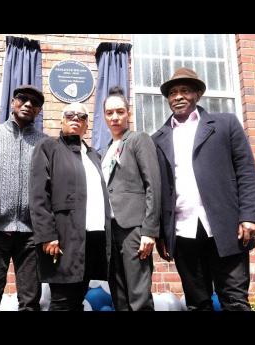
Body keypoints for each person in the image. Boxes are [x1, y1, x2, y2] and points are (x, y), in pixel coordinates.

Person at [151, 67, 255, 311]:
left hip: (227, 228)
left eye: (184, 90)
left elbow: (246, 170)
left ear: (198, 94)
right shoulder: (157, 138)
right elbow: (157, 188)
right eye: (172, 92)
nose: (177, 96)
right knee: (197, 303)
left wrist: (250, 215)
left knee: (234, 300)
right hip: (182, 232)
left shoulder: (225, 124)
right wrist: (160, 232)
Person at [29, 102, 111, 311]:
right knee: (62, 301)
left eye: (81, 116)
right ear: (62, 120)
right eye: (70, 115)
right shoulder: (49, 148)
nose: (76, 118)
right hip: (64, 239)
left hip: (92, 237)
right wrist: (47, 235)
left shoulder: (94, 155)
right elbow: (39, 195)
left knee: (77, 298)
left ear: (87, 125)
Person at [0, 85, 46, 311]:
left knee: (30, 302)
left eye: (34, 103)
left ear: (38, 111)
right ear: (13, 102)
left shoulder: (46, 143)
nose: (28, 104)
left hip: (30, 233)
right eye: (23, 99)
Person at [101, 86, 161, 311]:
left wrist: (149, 231)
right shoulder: (106, 149)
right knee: (119, 294)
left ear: (128, 113)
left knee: (138, 295)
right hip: (112, 229)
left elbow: (153, 184)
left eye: (119, 112)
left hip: (134, 228)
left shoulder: (138, 139)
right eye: (109, 113)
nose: (114, 117)